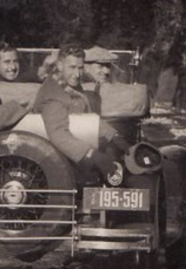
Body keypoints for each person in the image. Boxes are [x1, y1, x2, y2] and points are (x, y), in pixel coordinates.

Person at [31, 44, 120, 178]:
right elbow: (58, 134)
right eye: (72, 68)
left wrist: (114, 136)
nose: (77, 74)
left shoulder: (67, 83)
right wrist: (92, 154)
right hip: (59, 162)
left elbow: (82, 117)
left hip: (73, 152)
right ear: (60, 66)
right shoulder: (53, 95)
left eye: (80, 68)